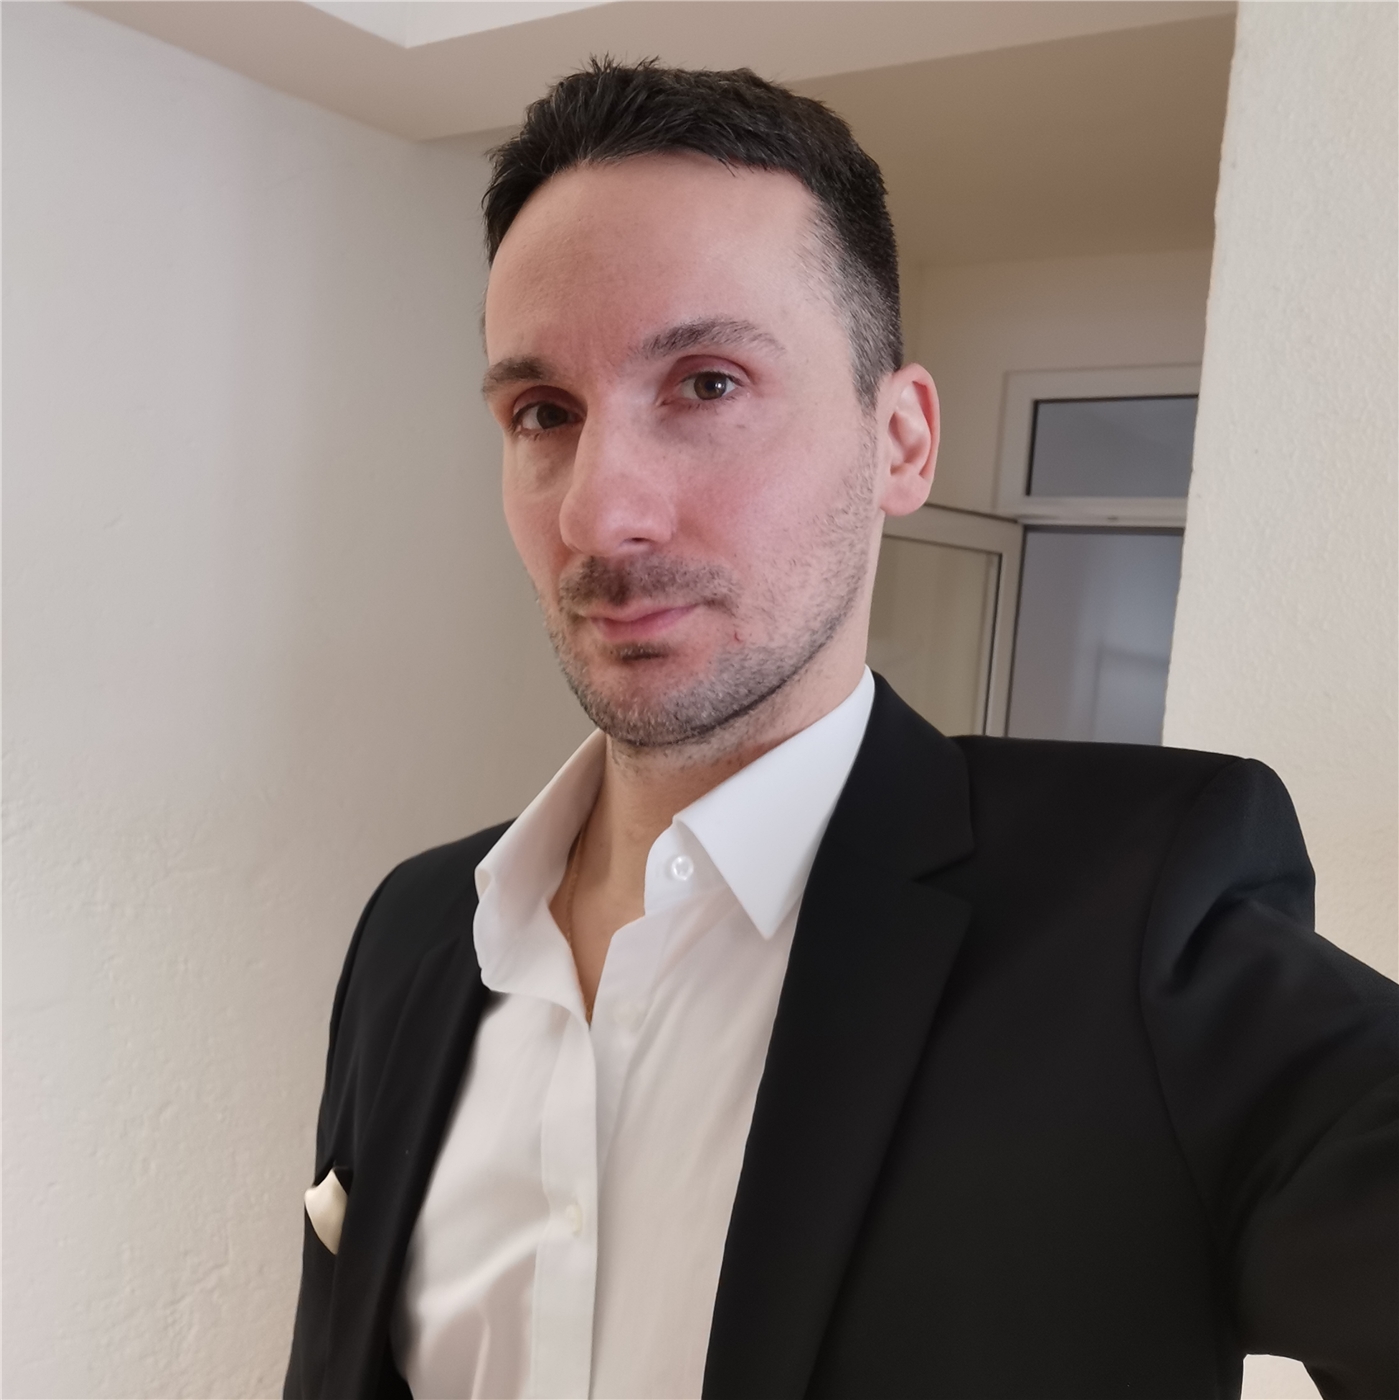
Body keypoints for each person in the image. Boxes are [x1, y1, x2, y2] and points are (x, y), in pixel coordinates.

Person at [284, 61, 1397, 1400]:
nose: (599, 512)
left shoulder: (1138, 922)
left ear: (902, 441)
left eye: (706, 384)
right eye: (543, 414)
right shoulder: (417, 929)